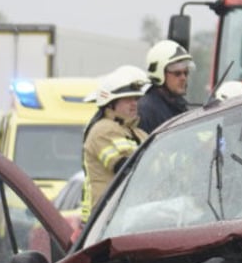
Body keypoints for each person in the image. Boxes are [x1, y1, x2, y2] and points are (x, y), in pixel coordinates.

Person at [80, 65, 150, 223]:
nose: (134, 104)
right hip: (108, 216)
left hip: (125, 210)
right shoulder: (103, 130)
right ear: (110, 103)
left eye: (136, 99)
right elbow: (125, 168)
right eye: (127, 99)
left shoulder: (137, 132)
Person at [138, 39, 194, 133]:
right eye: (177, 73)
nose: (183, 78)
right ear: (159, 74)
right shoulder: (146, 111)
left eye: (186, 72)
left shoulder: (179, 106)